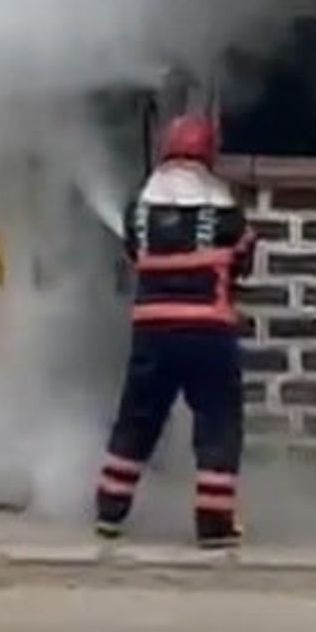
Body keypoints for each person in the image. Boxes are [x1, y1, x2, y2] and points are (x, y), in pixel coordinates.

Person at [94, 113, 257, 550]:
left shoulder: (138, 211)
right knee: (217, 421)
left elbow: (134, 254)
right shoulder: (227, 212)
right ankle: (214, 524)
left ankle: (109, 511)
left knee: (137, 418)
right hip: (209, 333)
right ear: (208, 153)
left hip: (153, 333)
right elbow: (243, 260)